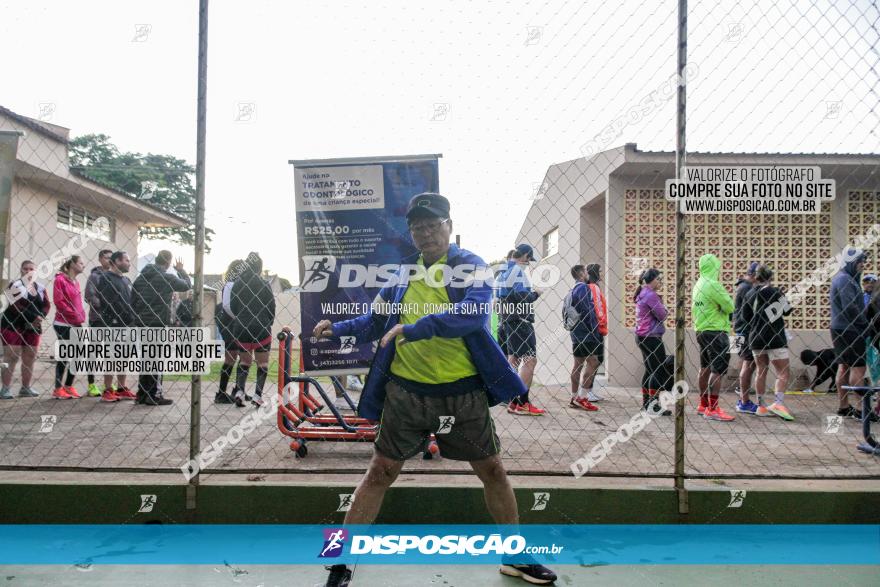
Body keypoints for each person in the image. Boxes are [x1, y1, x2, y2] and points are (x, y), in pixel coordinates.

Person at [313, 193, 556, 587]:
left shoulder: (469, 266)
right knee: (379, 472)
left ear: (449, 226)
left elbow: (473, 314)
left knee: (492, 470)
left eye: (433, 225)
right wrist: (337, 328)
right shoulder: (402, 273)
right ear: (412, 233)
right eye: (418, 227)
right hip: (406, 393)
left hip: (462, 395)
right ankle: (339, 563)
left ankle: (516, 557)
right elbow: (376, 322)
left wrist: (414, 328)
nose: (426, 233)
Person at [131, 250, 192, 406]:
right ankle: (154, 394)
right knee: (156, 360)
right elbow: (186, 285)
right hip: (157, 323)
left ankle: (142, 394)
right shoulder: (166, 277)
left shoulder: (140, 279)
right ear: (168, 262)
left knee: (145, 359)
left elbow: (132, 300)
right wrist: (181, 270)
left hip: (142, 323)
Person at [497, 243, 545, 416]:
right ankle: (521, 403)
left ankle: (511, 399)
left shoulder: (502, 271)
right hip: (520, 321)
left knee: (514, 359)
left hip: (508, 321)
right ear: (524, 256)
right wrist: (536, 293)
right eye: (528, 260)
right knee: (530, 360)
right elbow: (522, 298)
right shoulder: (517, 271)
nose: (528, 263)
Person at [742, 265, 794, 421]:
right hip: (775, 337)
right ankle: (778, 403)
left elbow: (745, 317)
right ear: (770, 277)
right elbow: (787, 310)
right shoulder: (775, 292)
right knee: (783, 371)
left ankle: (761, 405)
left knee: (760, 371)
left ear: (756, 277)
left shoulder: (749, 293)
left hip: (756, 338)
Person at [691, 253, 736, 421]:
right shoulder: (713, 285)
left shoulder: (698, 284)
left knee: (705, 368)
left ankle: (703, 404)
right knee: (718, 370)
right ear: (715, 267)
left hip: (701, 330)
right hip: (717, 331)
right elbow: (730, 307)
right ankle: (713, 408)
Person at [230, 252, 276, 407]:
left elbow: (233, 306)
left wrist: (241, 318)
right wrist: (268, 322)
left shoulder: (237, 283)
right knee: (262, 363)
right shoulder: (264, 284)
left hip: (241, 326)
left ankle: (240, 392)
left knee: (244, 361)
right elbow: (271, 307)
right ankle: (257, 395)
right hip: (261, 326)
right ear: (260, 267)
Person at [830, 248, 870, 419]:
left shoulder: (843, 278)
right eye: (860, 261)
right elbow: (850, 307)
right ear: (852, 262)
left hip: (840, 329)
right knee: (858, 368)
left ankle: (844, 406)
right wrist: (864, 324)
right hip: (851, 330)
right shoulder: (846, 280)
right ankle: (862, 410)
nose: (863, 265)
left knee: (843, 366)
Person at [0, 260, 50, 399]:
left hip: (33, 327)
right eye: (25, 269)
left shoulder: (40, 287)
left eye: (31, 269)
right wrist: (34, 317)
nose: (28, 271)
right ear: (21, 270)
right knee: (11, 357)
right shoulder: (14, 285)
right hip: (12, 324)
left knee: (30, 357)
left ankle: (25, 388)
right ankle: (5, 389)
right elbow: (14, 306)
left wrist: (40, 317)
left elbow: (46, 305)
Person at [95, 251, 136, 402]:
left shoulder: (125, 280)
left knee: (124, 357)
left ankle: (121, 387)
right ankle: (107, 389)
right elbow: (108, 302)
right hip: (112, 324)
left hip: (127, 324)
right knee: (111, 357)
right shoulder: (105, 278)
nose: (129, 263)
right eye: (126, 260)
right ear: (117, 261)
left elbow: (129, 302)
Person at [566, 264, 607, 411]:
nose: (587, 273)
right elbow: (588, 310)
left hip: (576, 333)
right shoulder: (583, 288)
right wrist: (594, 330)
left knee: (578, 365)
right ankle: (583, 397)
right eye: (585, 271)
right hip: (587, 333)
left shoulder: (571, 291)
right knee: (593, 361)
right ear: (582, 273)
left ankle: (574, 397)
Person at [633, 268, 671, 416]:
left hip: (642, 337)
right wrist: (665, 308)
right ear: (653, 280)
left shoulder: (643, 293)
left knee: (650, 370)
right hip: (651, 337)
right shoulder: (650, 295)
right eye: (659, 279)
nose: (661, 282)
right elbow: (662, 315)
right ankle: (653, 406)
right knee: (657, 371)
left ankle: (647, 404)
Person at [52, 255, 87, 399]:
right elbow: (59, 302)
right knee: (65, 355)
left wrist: (80, 315)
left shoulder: (76, 282)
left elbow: (77, 303)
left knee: (78, 354)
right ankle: (58, 388)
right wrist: (74, 314)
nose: (83, 265)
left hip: (76, 322)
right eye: (80, 263)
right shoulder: (60, 280)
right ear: (72, 264)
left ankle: (68, 386)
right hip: (63, 323)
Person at [733, 261, 764, 415]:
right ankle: (744, 399)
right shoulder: (746, 288)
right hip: (745, 331)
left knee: (745, 361)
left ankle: (742, 393)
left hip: (740, 329)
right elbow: (748, 312)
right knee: (748, 363)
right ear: (753, 275)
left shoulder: (743, 286)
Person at [214, 259, 245, 404]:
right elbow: (227, 307)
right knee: (231, 356)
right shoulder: (231, 284)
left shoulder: (239, 283)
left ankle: (238, 391)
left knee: (242, 355)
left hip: (232, 321)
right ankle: (221, 393)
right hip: (229, 321)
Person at [83, 249, 112, 397]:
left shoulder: (114, 276)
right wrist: (106, 306)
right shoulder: (95, 276)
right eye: (107, 258)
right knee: (93, 352)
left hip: (112, 321)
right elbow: (89, 296)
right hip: (98, 319)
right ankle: (91, 384)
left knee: (110, 353)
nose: (110, 260)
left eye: (112, 258)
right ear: (101, 259)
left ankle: (108, 383)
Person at [862, 274, 880, 385]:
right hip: (867, 334)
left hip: (875, 332)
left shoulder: (876, 297)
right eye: (866, 282)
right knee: (871, 360)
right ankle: (874, 383)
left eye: (872, 282)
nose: (869, 284)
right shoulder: (860, 297)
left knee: (876, 360)